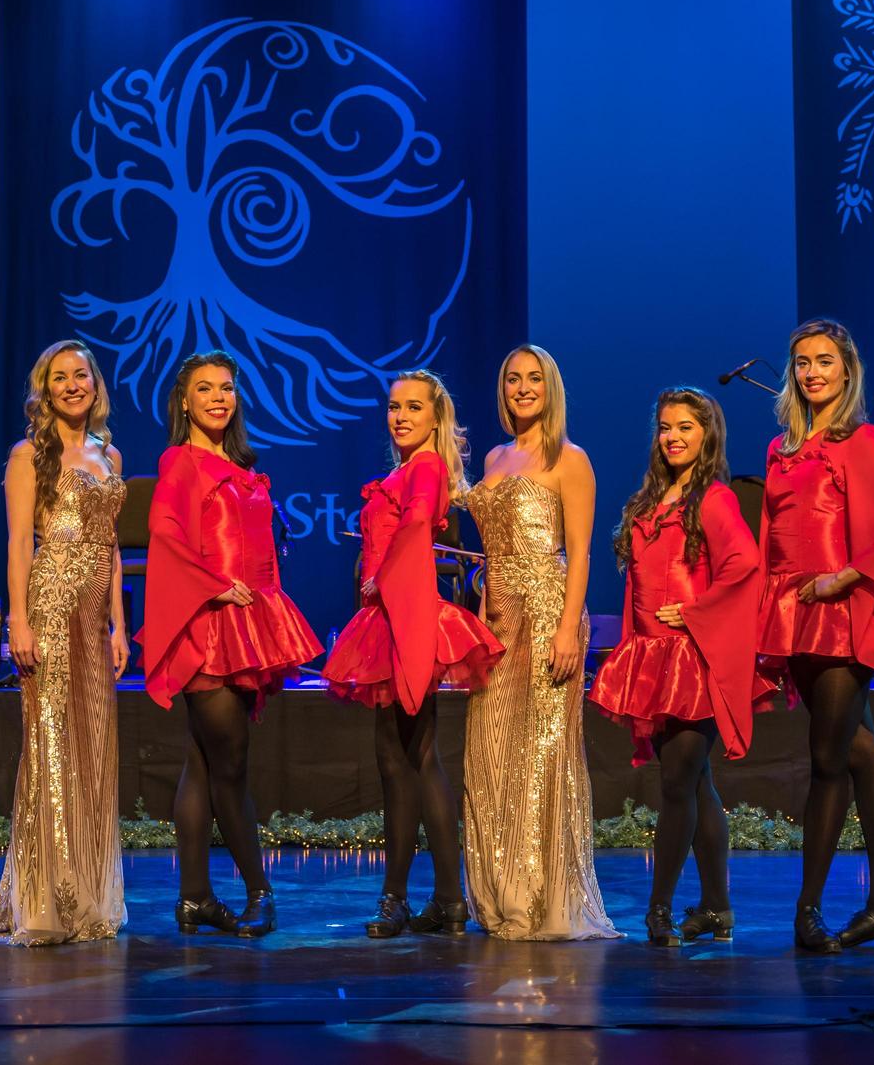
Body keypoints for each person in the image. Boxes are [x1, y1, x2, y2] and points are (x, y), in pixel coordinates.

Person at [755, 319, 874, 954]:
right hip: (791, 612)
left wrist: (844, 577)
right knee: (861, 751)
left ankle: (806, 910)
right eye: (803, 361)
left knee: (829, 759)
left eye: (825, 361)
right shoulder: (782, 450)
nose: (812, 372)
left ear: (847, 370)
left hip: (835, 616)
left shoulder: (860, 441)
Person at [139, 351, 322, 938]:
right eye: (204, 389)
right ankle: (259, 891)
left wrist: (268, 607)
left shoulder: (240, 468)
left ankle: (195, 897)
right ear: (184, 401)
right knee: (231, 767)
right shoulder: (181, 464)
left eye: (226, 387)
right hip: (209, 625)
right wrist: (216, 587)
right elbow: (165, 538)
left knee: (204, 762)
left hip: (248, 624)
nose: (218, 397)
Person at [322, 371, 502, 938]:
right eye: (394, 407)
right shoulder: (408, 469)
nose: (400, 417)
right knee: (413, 757)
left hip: (407, 613)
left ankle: (400, 898)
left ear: (434, 417)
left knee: (407, 758)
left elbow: (421, 520)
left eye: (413, 408)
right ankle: (444, 899)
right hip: (392, 617)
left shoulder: (426, 467)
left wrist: (382, 575)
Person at [589, 387, 761, 947]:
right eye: (665, 426)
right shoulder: (651, 501)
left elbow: (745, 565)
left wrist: (695, 612)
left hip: (693, 661)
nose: (673, 436)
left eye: (686, 426)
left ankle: (659, 907)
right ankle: (717, 908)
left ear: (707, 434)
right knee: (698, 785)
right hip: (653, 660)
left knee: (677, 785)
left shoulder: (713, 499)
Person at [462, 344, 618, 940]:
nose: (522, 388)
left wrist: (567, 627)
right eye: (511, 380)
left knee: (540, 755)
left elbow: (578, 552)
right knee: (491, 753)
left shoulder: (569, 458)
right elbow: (493, 542)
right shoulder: (497, 456)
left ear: (550, 388)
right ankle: (502, 893)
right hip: (498, 613)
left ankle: (542, 898)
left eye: (533, 379)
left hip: (549, 609)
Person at [0, 341, 129, 945]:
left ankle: (88, 892)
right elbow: (19, 543)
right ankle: (45, 898)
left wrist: (121, 623)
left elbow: (113, 545)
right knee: (50, 748)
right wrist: (18, 620)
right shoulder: (29, 455)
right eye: (59, 377)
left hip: (95, 617)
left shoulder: (110, 453)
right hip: (50, 605)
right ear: (43, 389)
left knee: (93, 749)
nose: (73, 385)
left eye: (81, 375)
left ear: (95, 383)